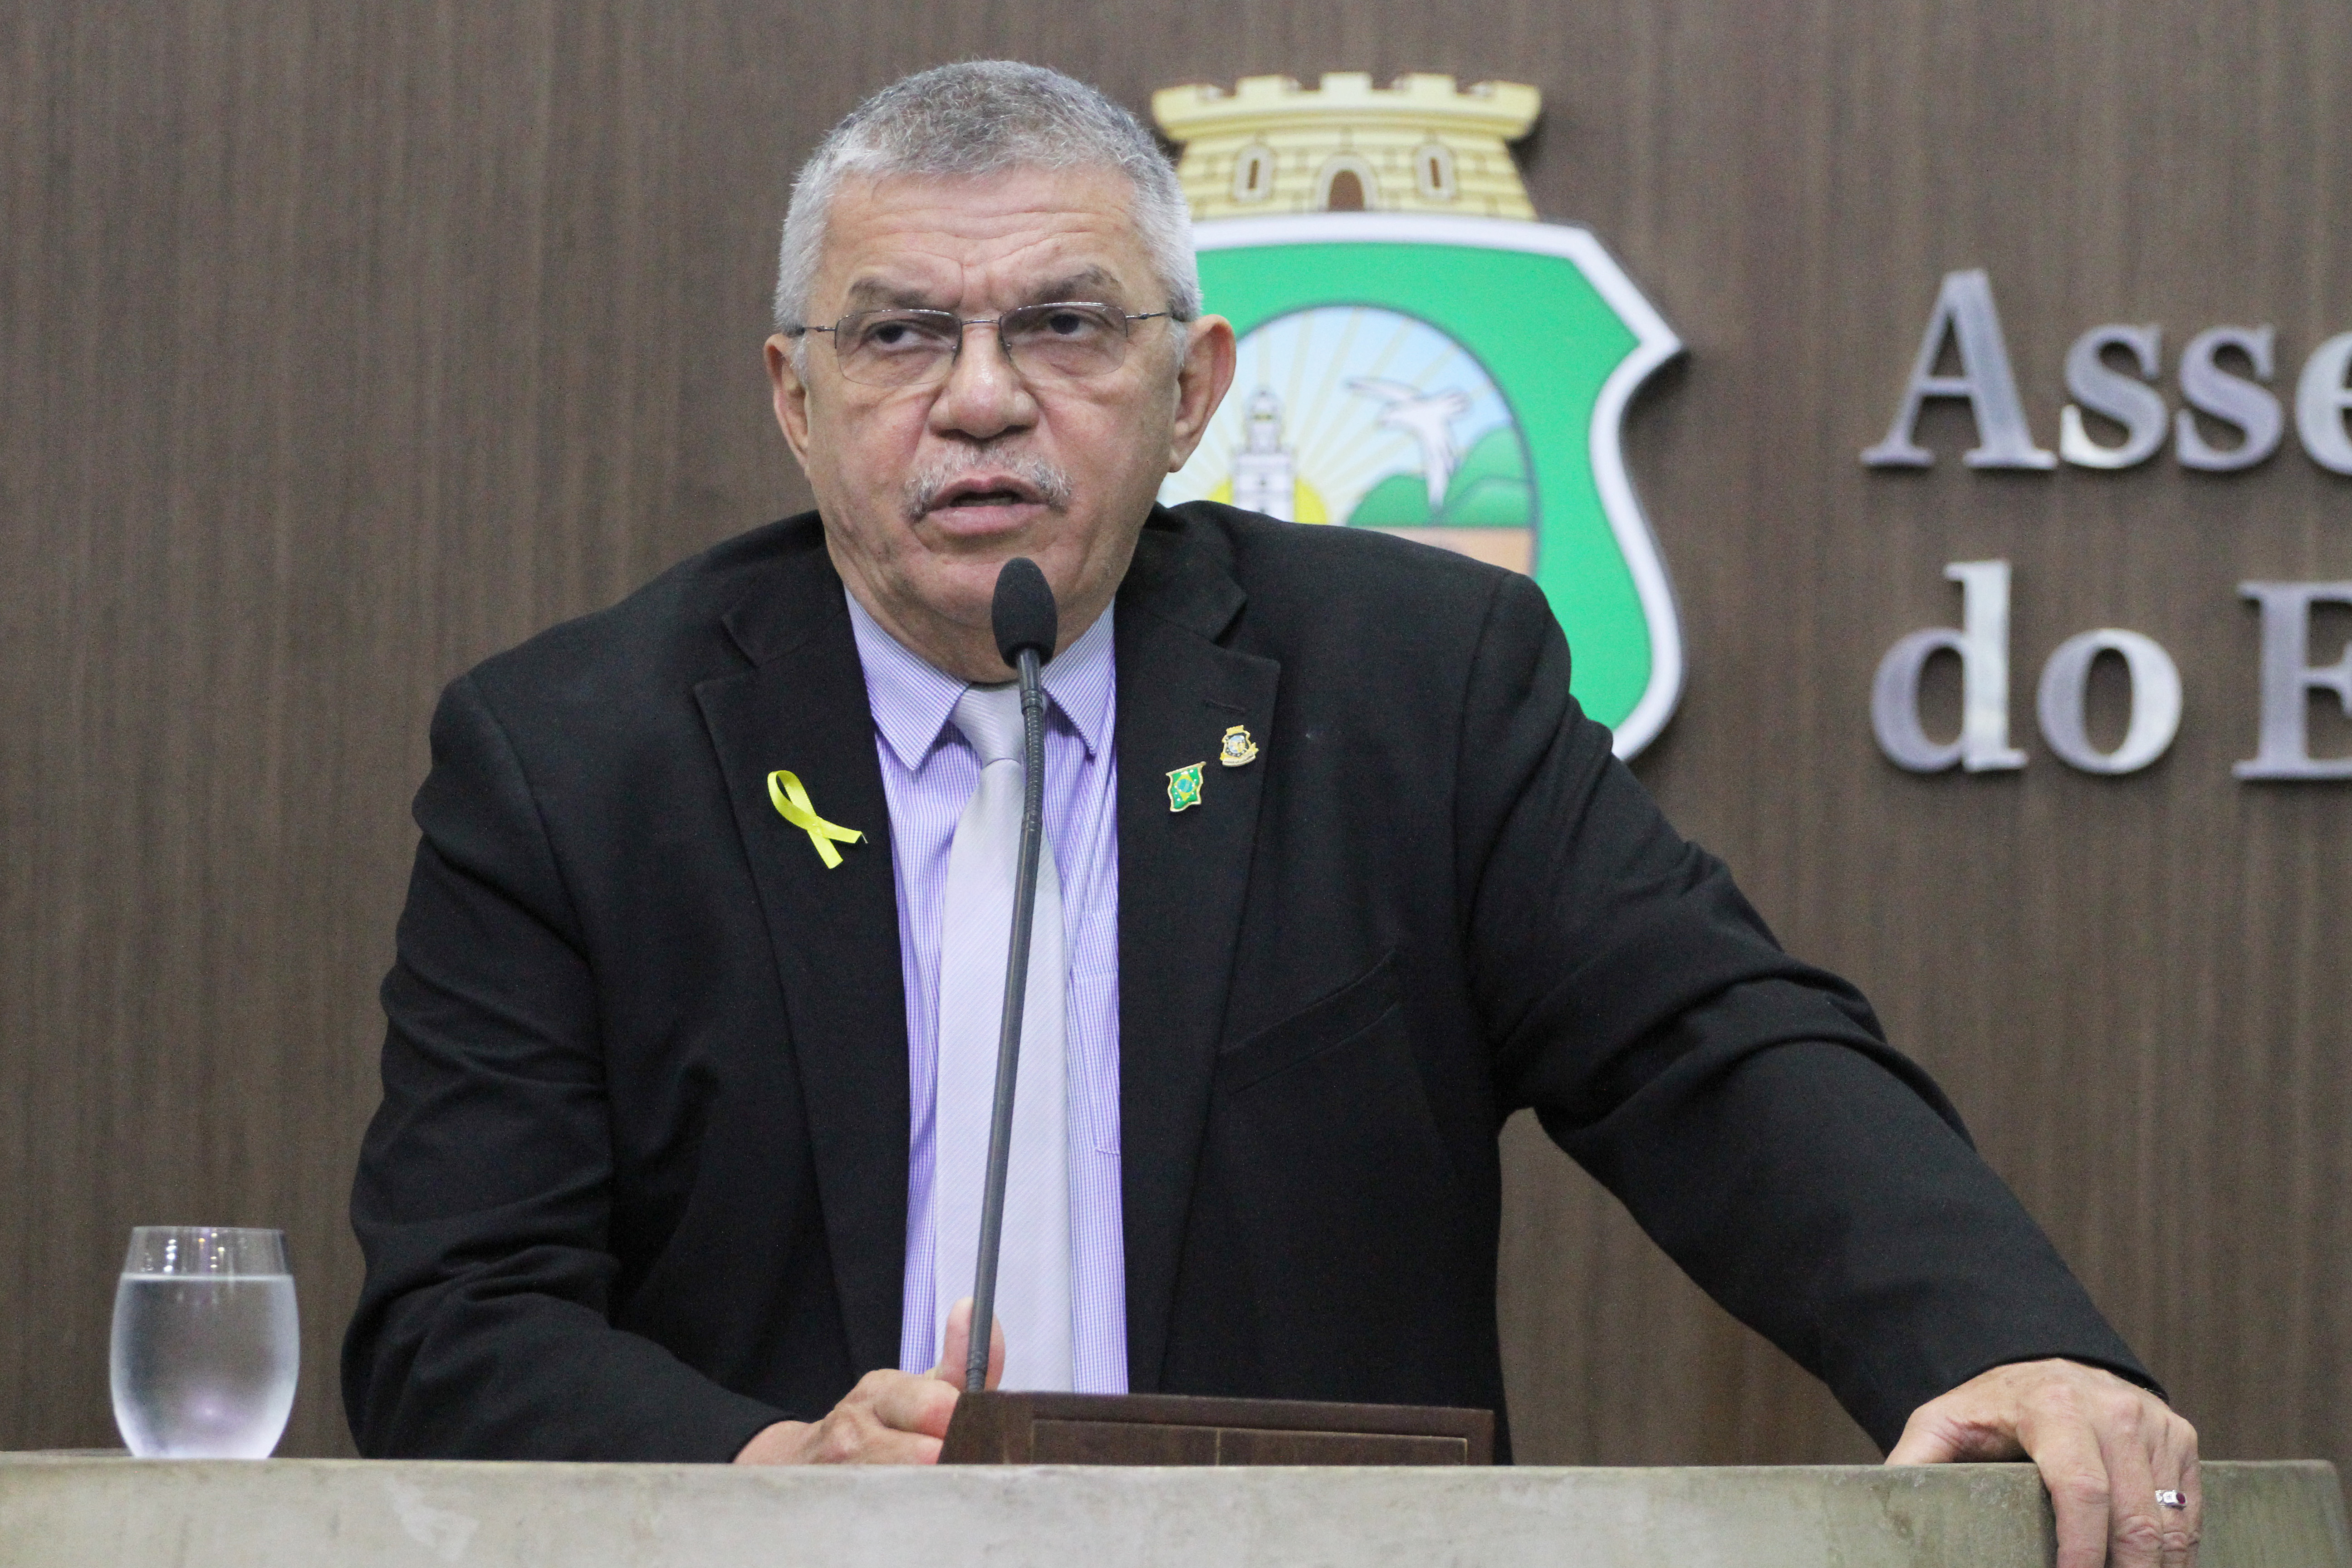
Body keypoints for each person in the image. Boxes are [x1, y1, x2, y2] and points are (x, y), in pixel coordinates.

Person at [345, 61, 2199, 1568]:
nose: (982, 400)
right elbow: (457, 1320)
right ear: (796, 400)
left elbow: (1709, 1047)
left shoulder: (1409, 686)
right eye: (900, 335)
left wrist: (2002, 1345)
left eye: (1065, 326)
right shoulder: (576, 755)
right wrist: (767, 1474)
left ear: (1194, 390)